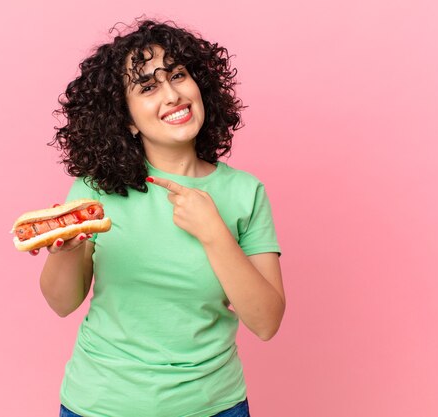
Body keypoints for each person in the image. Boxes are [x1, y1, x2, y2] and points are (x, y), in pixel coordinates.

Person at [33, 19, 286, 417]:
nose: (172, 95)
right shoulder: (95, 191)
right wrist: (66, 250)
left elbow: (267, 322)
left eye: (179, 76)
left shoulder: (244, 193)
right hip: (101, 406)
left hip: (214, 406)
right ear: (127, 119)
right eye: (148, 87)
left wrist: (213, 232)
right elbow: (63, 304)